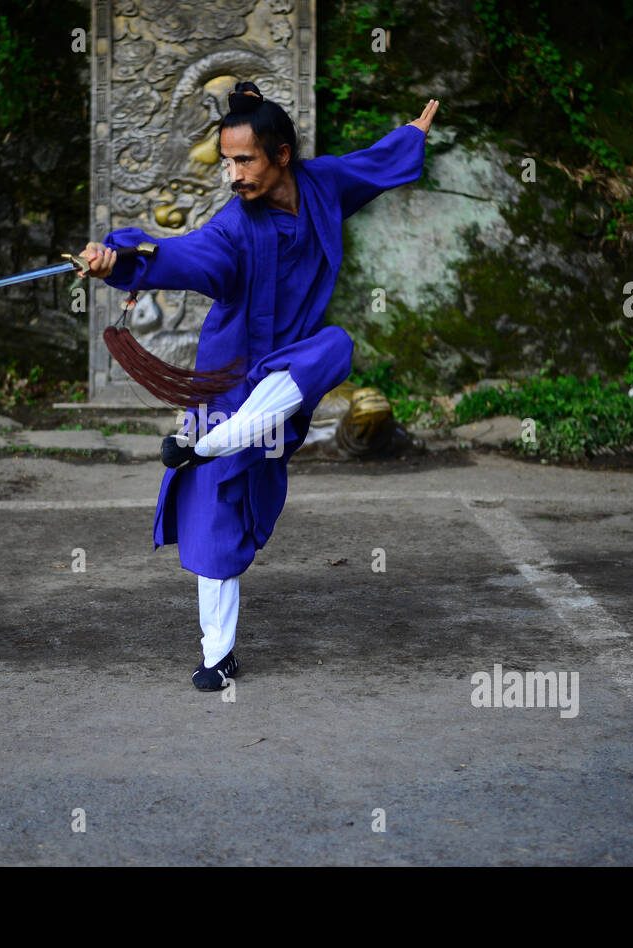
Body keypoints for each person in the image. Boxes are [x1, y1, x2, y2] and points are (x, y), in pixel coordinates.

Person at [77, 81, 438, 690]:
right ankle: (218, 657)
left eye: (244, 160)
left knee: (339, 345)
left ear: (282, 156)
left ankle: (211, 446)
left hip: (287, 380)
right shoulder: (233, 229)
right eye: (226, 162)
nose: (233, 175)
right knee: (215, 516)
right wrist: (126, 260)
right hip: (230, 383)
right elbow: (184, 255)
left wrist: (412, 136)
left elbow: (371, 168)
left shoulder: (324, 187)